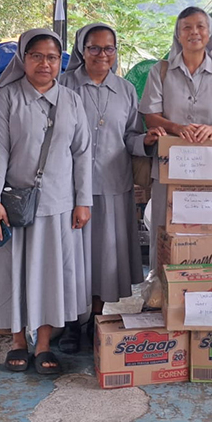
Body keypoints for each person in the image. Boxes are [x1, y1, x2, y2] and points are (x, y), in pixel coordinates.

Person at [0, 29, 92, 376]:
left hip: (59, 203)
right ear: (23, 59)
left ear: (61, 62)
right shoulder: (7, 97)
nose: (45, 63)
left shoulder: (72, 101)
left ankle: (43, 344)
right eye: (37, 56)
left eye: (53, 57)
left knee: (51, 274)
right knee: (14, 270)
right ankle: (17, 341)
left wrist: (83, 201)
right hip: (13, 203)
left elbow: (83, 152)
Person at [59, 23, 164, 351]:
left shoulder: (125, 90)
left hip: (112, 186)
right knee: (72, 257)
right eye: (94, 48)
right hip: (68, 186)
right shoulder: (63, 85)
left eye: (109, 49)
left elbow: (130, 136)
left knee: (104, 259)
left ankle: (95, 318)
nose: (102, 55)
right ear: (81, 50)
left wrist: (144, 139)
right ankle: (70, 324)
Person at [139, 7, 212, 268]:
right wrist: (177, 128)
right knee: (168, 230)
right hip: (170, 167)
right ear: (178, 35)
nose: (194, 32)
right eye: (186, 27)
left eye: (200, 26)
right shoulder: (160, 70)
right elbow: (150, 116)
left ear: (210, 34)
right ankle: (163, 290)